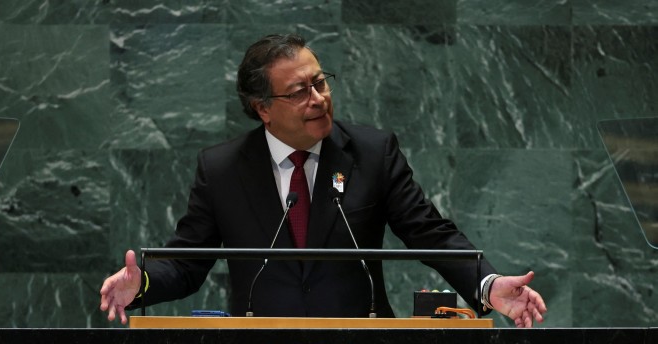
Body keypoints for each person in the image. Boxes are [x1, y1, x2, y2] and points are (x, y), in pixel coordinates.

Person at [100, 34, 547, 328]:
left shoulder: (371, 153)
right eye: (298, 92)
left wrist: (487, 284)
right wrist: (141, 284)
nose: (318, 100)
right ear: (262, 108)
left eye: (320, 83)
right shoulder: (223, 169)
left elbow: (430, 232)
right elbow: (186, 262)